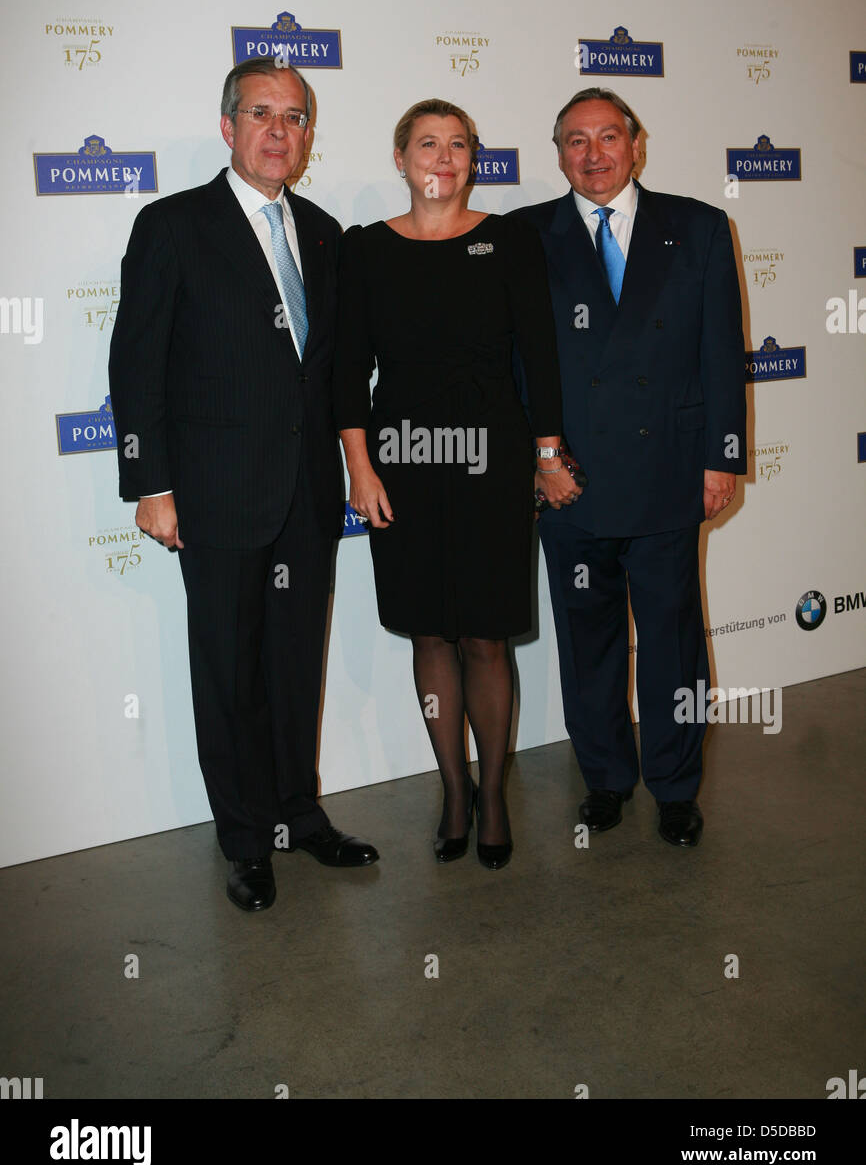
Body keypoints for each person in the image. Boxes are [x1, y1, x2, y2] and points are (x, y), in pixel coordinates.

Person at [108, 56, 378, 912]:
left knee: (296, 662)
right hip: (216, 494)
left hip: (306, 492)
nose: (278, 131)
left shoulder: (327, 232)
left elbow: (332, 373)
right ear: (228, 127)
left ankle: (299, 815)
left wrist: (352, 466)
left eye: (294, 117)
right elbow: (136, 361)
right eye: (261, 113)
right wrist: (152, 484)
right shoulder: (173, 225)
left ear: (307, 136)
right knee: (228, 669)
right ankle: (245, 840)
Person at [333, 99, 573, 869]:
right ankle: (454, 789)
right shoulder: (365, 250)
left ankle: (495, 796)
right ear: (400, 158)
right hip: (401, 459)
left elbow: (540, 353)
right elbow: (344, 371)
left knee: (485, 634)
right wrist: (359, 466)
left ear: (475, 160)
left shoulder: (510, 240)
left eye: (458, 145)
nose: (444, 157)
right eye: (428, 144)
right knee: (430, 630)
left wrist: (545, 452)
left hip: (493, 459)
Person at [510, 88, 746, 847]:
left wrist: (721, 458)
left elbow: (721, 355)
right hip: (567, 479)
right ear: (557, 153)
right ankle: (607, 778)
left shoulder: (700, 228)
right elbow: (509, 363)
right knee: (588, 642)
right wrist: (535, 460)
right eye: (575, 141)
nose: (594, 154)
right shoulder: (525, 235)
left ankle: (676, 787)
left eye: (607, 137)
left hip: (669, 472)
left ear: (635, 144)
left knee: (674, 640)